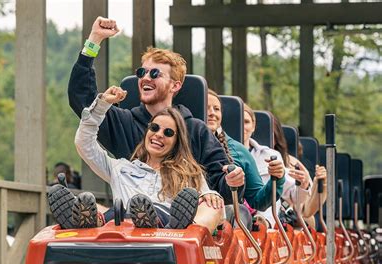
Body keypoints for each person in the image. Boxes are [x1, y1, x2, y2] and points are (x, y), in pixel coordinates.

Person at [66, 16, 244, 206]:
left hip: (179, 220)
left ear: (175, 86)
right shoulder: (123, 123)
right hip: (130, 214)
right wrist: (94, 41)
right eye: (142, 73)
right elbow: (84, 102)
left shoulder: (196, 131)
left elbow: (223, 186)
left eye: (155, 74)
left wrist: (232, 182)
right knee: (103, 211)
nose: (146, 78)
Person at [51, 86, 225, 234]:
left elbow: (208, 202)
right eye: (154, 128)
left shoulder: (189, 173)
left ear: (177, 142)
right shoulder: (121, 168)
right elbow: (85, 143)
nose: (158, 135)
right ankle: (88, 220)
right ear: (147, 131)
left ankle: (167, 225)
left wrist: (209, 194)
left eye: (168, 132)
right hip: (124, 226)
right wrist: (102, 105)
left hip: (168, 231)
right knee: (111, 210)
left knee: (211, 205)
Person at [206, 90, 285, 229]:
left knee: (237, 212)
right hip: (189, 215)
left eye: (216, 109)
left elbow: (258, 201)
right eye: (206, 107)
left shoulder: (239, 151)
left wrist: (277, 178)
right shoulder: (177, 142)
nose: (212, 112)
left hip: (225, 223)